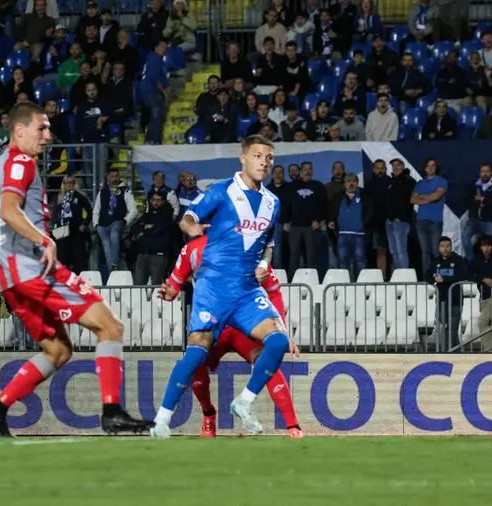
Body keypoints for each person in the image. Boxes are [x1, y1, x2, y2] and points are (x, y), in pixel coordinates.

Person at [0, 102, 151, 437]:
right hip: (30, 268)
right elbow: (9, 211)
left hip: (9, 275)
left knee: (58, 351)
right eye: (40, 128)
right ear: (18, 131)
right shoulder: (19, 161)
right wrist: (45, 240)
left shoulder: (0, 164)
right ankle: (112, 411)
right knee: (111, 327)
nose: (48, 135)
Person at [151, 136, 299, 439]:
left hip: (245, 290)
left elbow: (268, 242)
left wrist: (264, 262)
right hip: (213, 288)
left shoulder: (273, 201)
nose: (264, 162)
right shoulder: (222, 191)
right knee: (195, 356)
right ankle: (162, 421)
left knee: (279, 342)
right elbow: (189, 216)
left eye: (269, 158)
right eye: (258, 156)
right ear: (243, 158)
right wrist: (191, 227)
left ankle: (244, 402)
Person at [159, 235, 302, 438]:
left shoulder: (249, 252)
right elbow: (174, 286)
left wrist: (282, 331)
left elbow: (274, 290)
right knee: (195, 364)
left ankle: (292, 425)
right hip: (214, 327)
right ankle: (208, 413)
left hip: (242, 328)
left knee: (267, 361)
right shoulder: (193, 250)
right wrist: (168, 293)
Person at [92, 167, 137, 277]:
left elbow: (134, 210)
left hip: (117, 222)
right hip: (102, 225)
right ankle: (112, 273)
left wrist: (125, 221)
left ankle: (114, 264)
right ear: (108, 178)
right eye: (112, 176)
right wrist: (96, 225)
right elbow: (96, 210)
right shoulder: (102, 192)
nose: (114, 179)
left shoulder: (125, 190)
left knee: (114, 235)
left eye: (116, 176)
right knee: (107, 249)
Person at [467, 235, 492, 349]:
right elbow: (468, 274)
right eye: (483, 245)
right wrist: (483, 279)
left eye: (488, 245)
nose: (486, 248)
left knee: (482, 322)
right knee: (490, 325)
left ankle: (489, 350)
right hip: (484, 296)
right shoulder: (476, 259)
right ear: (479, 247)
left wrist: (489, 279)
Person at [428, 236, 467, 350]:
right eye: (442, 246)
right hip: (441, 300)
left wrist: (444, 279)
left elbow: (463, 275)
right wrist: (434, 279)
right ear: (439, 248)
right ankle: (455, 351)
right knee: (444, 328)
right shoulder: (435, 261)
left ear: (451, 247)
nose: (445, 249)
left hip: (455, 300)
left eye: (447, 246)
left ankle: (448, 352)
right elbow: (427, 275)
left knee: (452, 329)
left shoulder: (458, 260)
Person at [411, 158, 447, 276]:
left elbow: (436, 197)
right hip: (421, 222)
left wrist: (422, 198)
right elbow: (412, 199)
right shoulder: (420, 183)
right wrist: (429, 198)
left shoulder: (441, 181)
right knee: (424, 252)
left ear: (436, 168)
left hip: (435, 221)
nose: (430, 168)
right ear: (425, 168)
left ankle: (439, 277)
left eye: (433, 165)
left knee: (436, 252)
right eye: (428, 166)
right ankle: (427, 277)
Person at [328, 172, 367, 279]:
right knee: (342, 261)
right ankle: (344, 285)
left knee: (360, 261)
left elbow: (371, 211)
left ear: (357, 183)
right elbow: (332, 211)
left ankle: (361, 284)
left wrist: (364, 224)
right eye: (348, 181)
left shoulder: (364, 195)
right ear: (344, 184)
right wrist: (331, 220)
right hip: (342, 235)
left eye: (354, 181)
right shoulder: (338, 196)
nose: (351, 184)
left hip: (359, 234)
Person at [52, 174, 93, 274]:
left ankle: (79, 278)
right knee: (62, 255)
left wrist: (85, 224)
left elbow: (90, 211)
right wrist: (54, 225)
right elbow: (54, 213)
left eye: (72, 182)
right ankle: (63, 278)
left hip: (76, 229)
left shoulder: (80, 196)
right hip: (62, 230)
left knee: (78, 256)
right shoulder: (58, 197)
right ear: (64, 184)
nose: (69, 185)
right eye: (67, 182)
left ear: (75, 184)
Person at [463, 163, 492, 260]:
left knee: (489, 245)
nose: (485, 174)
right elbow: (467, 202)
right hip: (473, 220)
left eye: (487, 171)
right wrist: (478, 200)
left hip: (489, 221)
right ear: (479, 173)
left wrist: (482, 200)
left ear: (491, 173)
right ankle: (472, 264)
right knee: (465, 239)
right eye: (483, 171)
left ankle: (488, 265)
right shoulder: (473, 186)